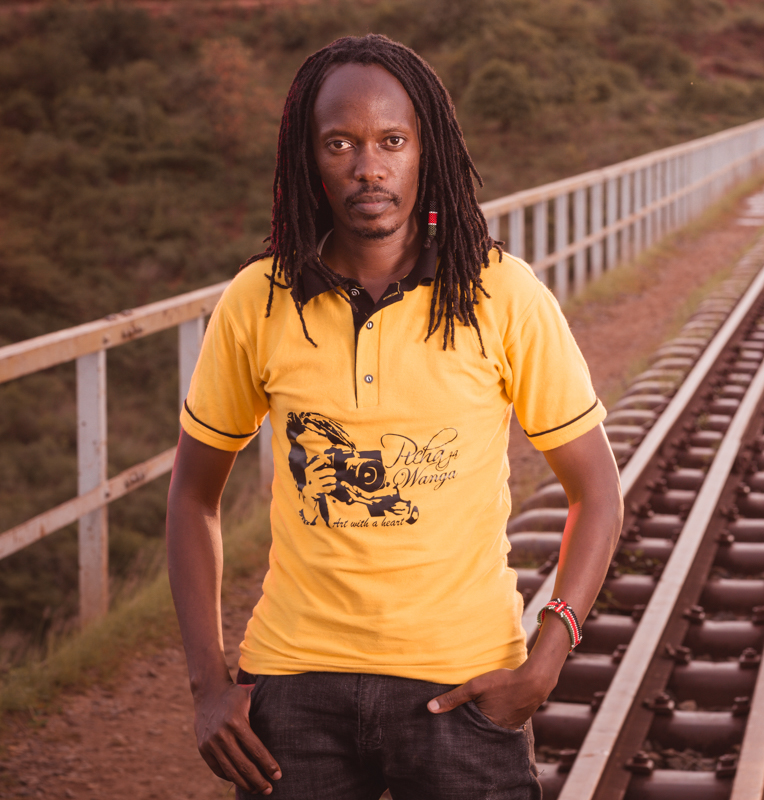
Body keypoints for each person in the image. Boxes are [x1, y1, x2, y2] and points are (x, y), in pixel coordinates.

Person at [166, 33, 622, 799]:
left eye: (392, 142)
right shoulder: (259, 300)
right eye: (340, 142)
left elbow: (596, 492)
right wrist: (209, 687)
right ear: (308, 158)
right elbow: (191, 494)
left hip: (462, 686)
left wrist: (545, 661)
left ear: (426, 152)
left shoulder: (501, 294)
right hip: (294, 692)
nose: (367, 167)